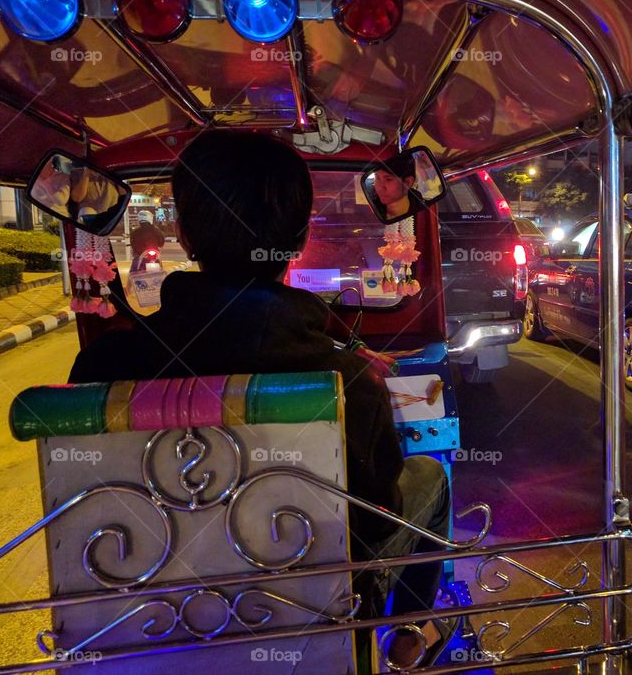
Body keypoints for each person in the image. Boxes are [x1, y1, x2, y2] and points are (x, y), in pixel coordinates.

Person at [67, 131, 453, 665]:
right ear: (297, 240)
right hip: (310, 608)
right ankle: (413, 631)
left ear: (184, 230)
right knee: (429, 479)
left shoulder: (101, 369)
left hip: (140, 616)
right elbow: (374, 521)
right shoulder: (343, 382)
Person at [372, 153, 424, 221]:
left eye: (388, 179)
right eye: (377, 178)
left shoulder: (423, 214)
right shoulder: (371, 209)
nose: (379, 188)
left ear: (407, 182)